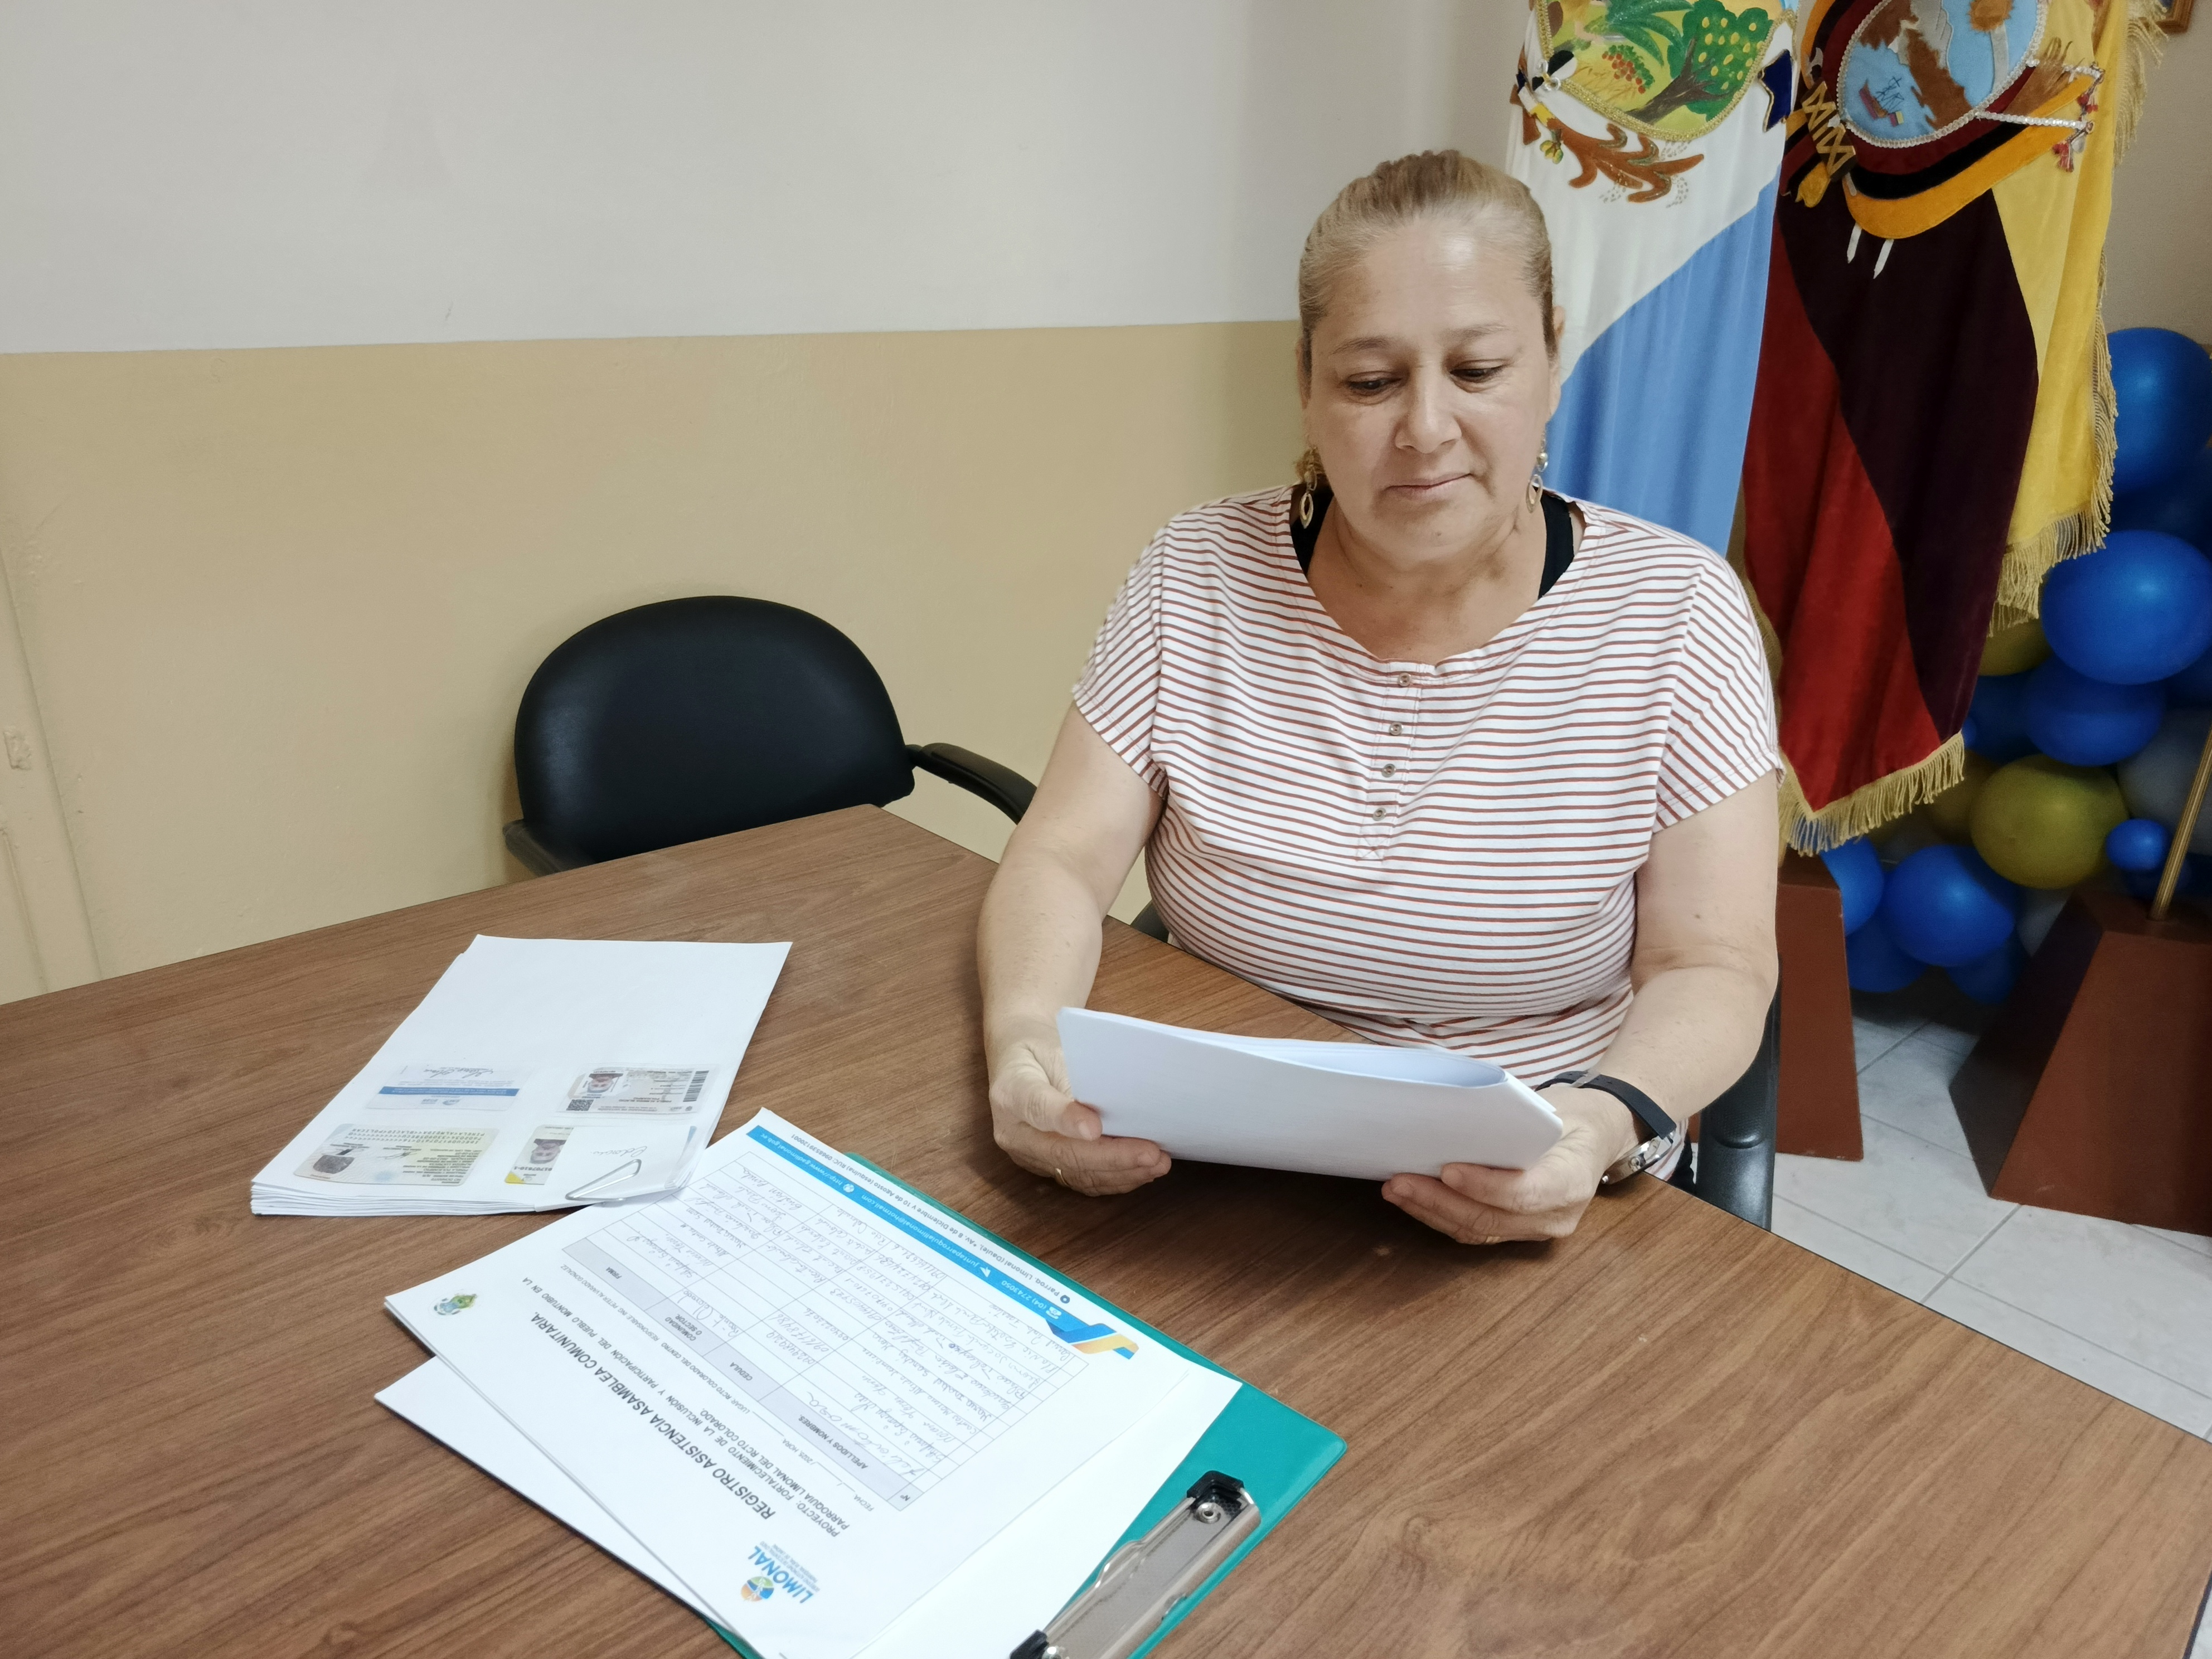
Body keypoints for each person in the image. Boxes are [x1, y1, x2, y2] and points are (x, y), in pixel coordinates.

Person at [977, 149, 1780, 1246]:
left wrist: (1597, 1126)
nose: (1426, 429)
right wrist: (1025, 1041)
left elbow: (1712, 963)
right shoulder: (1194, 570)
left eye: (1478, 370)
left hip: (1533, 1174)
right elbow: (1064, 857)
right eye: (1369, 382)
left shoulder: (1676, 610)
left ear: (1552, 359)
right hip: (1204, 1154)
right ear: (1307, 386)